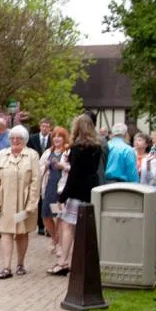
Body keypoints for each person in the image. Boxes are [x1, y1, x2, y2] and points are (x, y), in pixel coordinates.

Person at [48, 114, 102, 276]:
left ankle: (63, 262)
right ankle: (82, 263)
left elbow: (74, 175)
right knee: (84, 228)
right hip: (91, 190)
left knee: (67, 226)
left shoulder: (77, 148)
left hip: (77, 191)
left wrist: (63, 197)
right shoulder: (97, 147)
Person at [0, 125, 41, 279]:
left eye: (19, 138)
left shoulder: (32, 155)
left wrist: (31, 204)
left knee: (22, 233)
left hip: (24, 202)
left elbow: (35, 180)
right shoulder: (2, 154)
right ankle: (6, 267)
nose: (15, 141)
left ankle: (20, 263)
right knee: (5, 232)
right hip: (5, 202)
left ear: (25, 140)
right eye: (12, 138)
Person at [39, 126, 70, 259]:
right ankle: (55, 238)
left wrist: (62, 165)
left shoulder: (68, 152)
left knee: (59, 216)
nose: (57, 138)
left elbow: (72, 168)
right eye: (55, 136)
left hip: (61, 187)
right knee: (46, 215)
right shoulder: (48, 152)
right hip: (49, 186)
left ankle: (60, 245)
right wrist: (45, 165)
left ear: (64, 138)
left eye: (60, 136)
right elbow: (40, 168)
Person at [29, 118, 53, 235]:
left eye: (47, 126)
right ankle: (40, 225)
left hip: (48, 172)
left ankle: (48, 225)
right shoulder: (32, 138)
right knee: (37, 198)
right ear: (40, 126)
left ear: (50, 128)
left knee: (46, 198)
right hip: (35, 169)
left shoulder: (53, 139)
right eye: (43, 126)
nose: (45, 128)